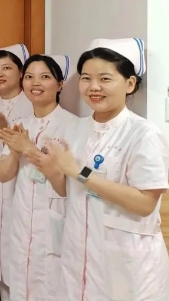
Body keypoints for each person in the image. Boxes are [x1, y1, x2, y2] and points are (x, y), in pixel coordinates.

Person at [31, 38, 169, 301]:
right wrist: (53, 172)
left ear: (130, 84)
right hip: (79, 257)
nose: (93, 87)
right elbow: (68, 191)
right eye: (86, 78)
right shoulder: (75, 129)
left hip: (127, 264)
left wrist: (79, 172)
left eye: (105, 79)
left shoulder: (143, 134)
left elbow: (145, 204)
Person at [0, 54, 78, 301]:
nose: (35, 83)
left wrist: (27, 147)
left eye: (45, 77)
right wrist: (14, 150)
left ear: (60, 84)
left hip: (53, 222)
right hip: (22, 221)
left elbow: (69, 184)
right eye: (29, 77)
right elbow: (3, 174)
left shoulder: (73, 126)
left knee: (52, 288)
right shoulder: (19, 124)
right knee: (21, 288)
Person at [0, 43, 33, 301]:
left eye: (7, 68)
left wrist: (6, 133)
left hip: (21, 185)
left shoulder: (32, 102)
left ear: (21, 72)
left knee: (20, 253)